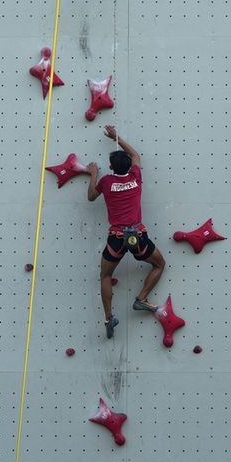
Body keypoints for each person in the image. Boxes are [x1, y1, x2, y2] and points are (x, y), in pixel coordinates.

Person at [87, 125, 166, 339]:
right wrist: (117, 137)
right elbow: (136, 155)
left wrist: (93, 174)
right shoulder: (135, 178)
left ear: (111, 167)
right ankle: (141, 298)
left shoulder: (106, 182)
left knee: (105, 275)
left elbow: (91, 197)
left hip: (116, 239)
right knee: (159, 264)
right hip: (137, 236)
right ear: (129, 166)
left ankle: (108, 317)